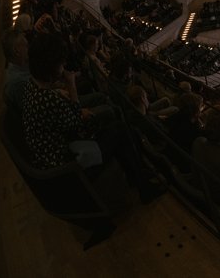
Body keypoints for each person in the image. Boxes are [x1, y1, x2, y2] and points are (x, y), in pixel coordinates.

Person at [22, 33, 163, 203]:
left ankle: (137, 175)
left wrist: (77, 111)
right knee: (120, 130)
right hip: (68, 164)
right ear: (51, 66)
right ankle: (143, 186)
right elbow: (80, 125)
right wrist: (71, 84)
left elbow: (69, 120)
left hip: (61, 150)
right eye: (61, 63)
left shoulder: (33, 85)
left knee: (122, 129)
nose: (64, 66)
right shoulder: (48, 99)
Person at [2, 29, 31, 114]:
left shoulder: (16, 64)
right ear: (16, 51)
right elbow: (29, 110)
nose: (28, 48)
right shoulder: (19, 82)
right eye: (26, 46)